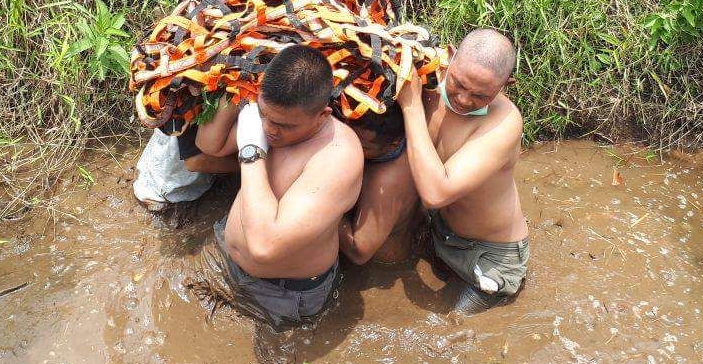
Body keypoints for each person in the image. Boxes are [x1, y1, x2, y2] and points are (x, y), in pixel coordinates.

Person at [192, 45, 364, 327]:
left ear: (322, 115)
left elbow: (264, 247)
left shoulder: (338, 155)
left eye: (284, 125)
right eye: (264, 115)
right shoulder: (272, 120)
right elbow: (208, 145)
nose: (270, 129)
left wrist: (251, 151)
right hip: (225, 255)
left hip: (282, 294)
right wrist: (238, 85)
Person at [394, 28, 529, 312]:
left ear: (506, 85)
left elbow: (434, 193)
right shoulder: (430, 79)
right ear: (450, 56)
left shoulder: (504, 123)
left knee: (453, 326)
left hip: (490, 256)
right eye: (458, 83)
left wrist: (411, 108)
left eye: (481, 95)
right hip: (441, 231)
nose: (464, 100)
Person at [339, 105, 419, 264]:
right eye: (350, 135)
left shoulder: (385, 182)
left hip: (379, 264)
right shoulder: (410, 141)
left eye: (363, 147)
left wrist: (326, 207)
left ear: (394, 144)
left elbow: (359, 252)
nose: (350, 147)